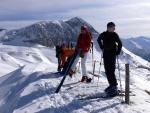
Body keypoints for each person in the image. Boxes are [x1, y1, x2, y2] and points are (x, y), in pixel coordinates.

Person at [97, 22, 122, 96]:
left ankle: (114, 87)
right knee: (107, 70)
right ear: (109, 28)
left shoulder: (115, 35)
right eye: (113, 27)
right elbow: (98, 40)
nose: (114, 29)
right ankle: (111, 85)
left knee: (111, 70)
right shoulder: (103, 34)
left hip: (112, 54)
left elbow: (120, 43)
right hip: (106, 54)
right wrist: (101, 47)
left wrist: (118, 51)